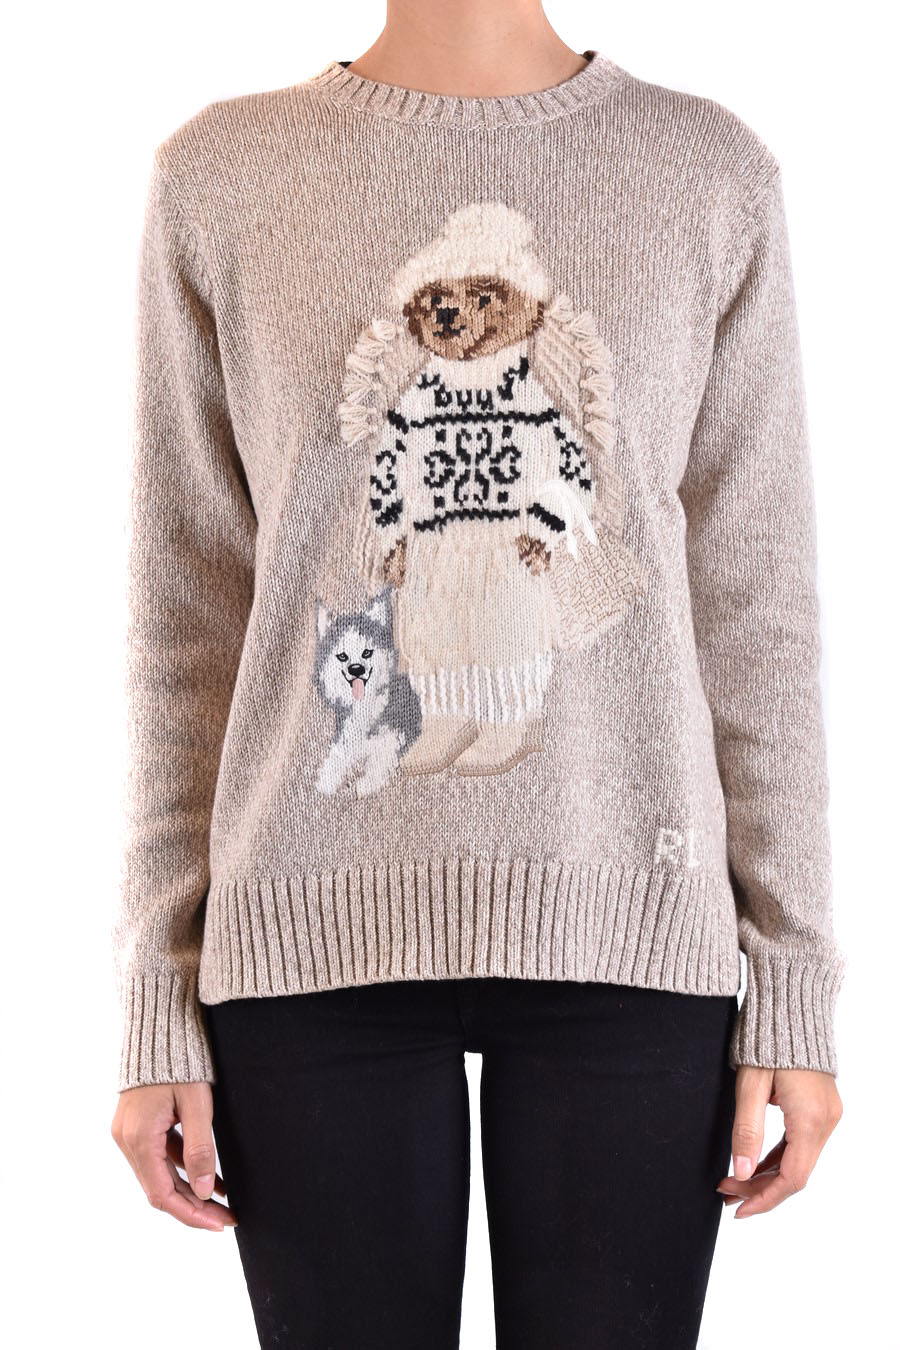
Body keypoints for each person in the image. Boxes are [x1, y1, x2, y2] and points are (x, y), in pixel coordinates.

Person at [110, 2, 845, 1346]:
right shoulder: (222, 178)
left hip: (630, 917)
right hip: (307, 926)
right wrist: (157, 990)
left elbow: (760, 612)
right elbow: (188, 618)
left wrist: (794, 978)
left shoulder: (708, 174)